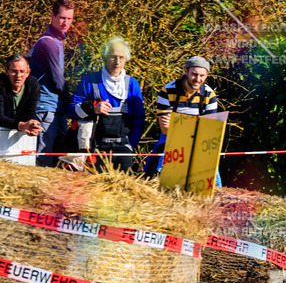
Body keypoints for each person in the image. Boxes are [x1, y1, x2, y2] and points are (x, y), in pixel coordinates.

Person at [67, 37, 145, 172]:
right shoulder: (89, 81)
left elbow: (139, 119)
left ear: (126, 59)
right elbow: (71, 110)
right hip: (96, 149)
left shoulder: (133, 84)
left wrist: (131, 145)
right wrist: (92, 108)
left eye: (121, 57)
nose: (117, 62)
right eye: (113, 57)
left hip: (123, 149)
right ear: (105, 57)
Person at [147, 56, 221, 184]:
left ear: (207, 75)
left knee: (213, 175)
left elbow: (208, 131)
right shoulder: (168, 90)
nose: (197, 79)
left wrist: (176, 123)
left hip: (199, 142)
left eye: (202, 76)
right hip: (171, 140)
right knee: (159, 173)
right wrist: (196, 123)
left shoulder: (209, 95)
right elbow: (165, 130)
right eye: (194, 74)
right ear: (185, 71)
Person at [29, 0, 75, 166]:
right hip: (45, 109)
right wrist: (72, 105)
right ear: (52, 16)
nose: (66, 23)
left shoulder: (57, 41)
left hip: (55, 109)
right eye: (62, 17)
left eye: (69, 18)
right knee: (44, 162)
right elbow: (58, 80)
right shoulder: (48, 43)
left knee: (60, 162)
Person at [0, 55, 42, 137]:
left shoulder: (33, 85)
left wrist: (33, 123)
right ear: (6, 71)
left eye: (22, 71)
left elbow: (31, 111)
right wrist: (21, 126)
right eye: (14, 71)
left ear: (28, 73)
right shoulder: (1, 84)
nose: (18, 76)